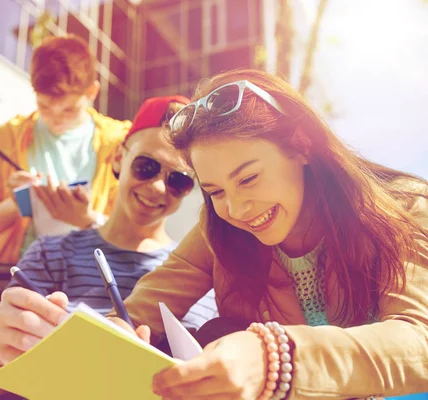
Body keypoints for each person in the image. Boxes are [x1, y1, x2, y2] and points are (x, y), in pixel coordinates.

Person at [104, 70, 427, 399]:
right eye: (215, 191)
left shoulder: (402, 208)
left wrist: (276, 356)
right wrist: (110, 334)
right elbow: (143, 308)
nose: (237, 209)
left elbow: (420, 343)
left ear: (301, 145)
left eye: (248, 179)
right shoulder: (217, 228)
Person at [0, 96, 218, 391]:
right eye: (146, 166)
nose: (157, 187)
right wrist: (0, 349)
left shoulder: (204, 279)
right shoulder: (53, 253)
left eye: (178, 180)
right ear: (118, 157)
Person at [0, 34, 131, 268]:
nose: (56, 120)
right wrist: (16, 203)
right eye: (44, 107)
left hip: (93, 279)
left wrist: (87, 218)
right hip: (17, 275)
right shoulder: (7, 137)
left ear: (92, 92)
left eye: (69, 110)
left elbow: (134, 232)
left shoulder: (120, 143)